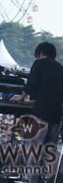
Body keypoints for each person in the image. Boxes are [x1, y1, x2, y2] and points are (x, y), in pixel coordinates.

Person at [11, 42, 63, 183]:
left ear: (40, 53)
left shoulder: (39, 63)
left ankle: (34, 181)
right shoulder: (60, 68)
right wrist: (33, 101)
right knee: (50, 150)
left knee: (32, 150)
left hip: (40, 115)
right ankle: (56, 179)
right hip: (56, 115)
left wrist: (21, 97)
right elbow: (52, 94)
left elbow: (31, 84)